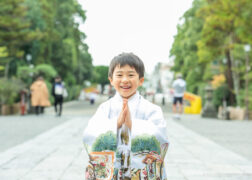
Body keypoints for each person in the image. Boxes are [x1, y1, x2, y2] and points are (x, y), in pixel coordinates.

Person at [83, 53, 169, 179]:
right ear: (111, 80)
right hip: (113, 172)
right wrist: (115, 124)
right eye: (119, 75)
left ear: (141, 80)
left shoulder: (152, 109)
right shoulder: (105, 108)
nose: (125, 80)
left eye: (130, 75)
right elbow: (90, 133)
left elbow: (161, 136)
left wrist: (133, 125)